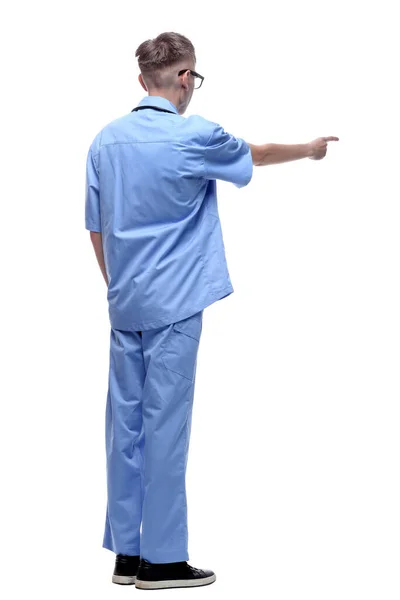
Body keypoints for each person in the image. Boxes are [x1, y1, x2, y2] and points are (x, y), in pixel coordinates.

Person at [84, 31, 339, 591]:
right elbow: (258, 154)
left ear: (140, 80)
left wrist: (119, 287)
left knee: (123, 429)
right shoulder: (192, 136)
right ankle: (163, 561)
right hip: (174, 305)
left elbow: (96, 227)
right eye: (192, 77)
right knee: (165, 430)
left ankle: (128, 556)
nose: (192, 87)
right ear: (182, 78)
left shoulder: (104, 141)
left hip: (125, 305)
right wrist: (311, 149)